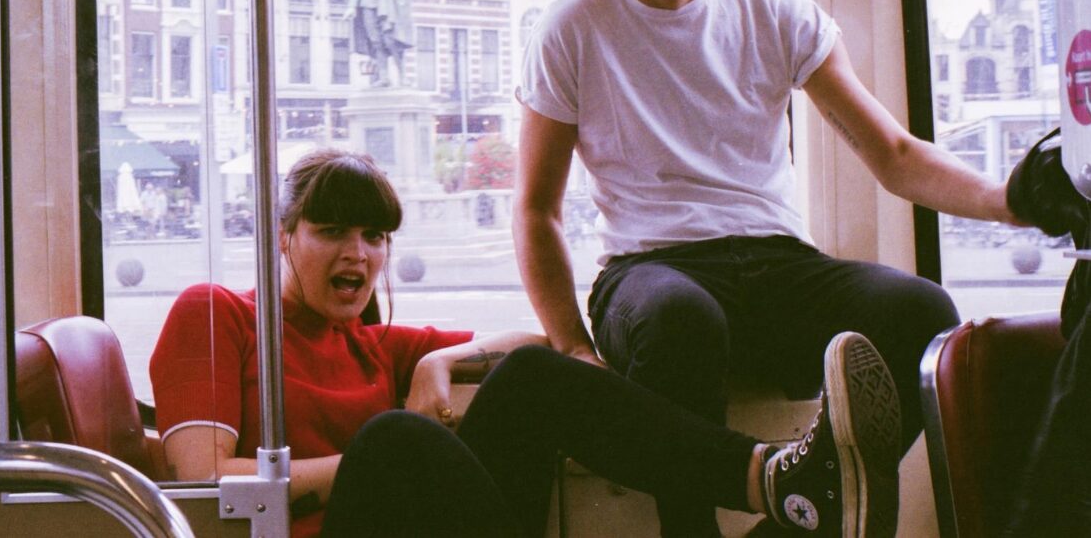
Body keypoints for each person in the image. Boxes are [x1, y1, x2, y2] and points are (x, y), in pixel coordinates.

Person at [512, 0, 1021, 537]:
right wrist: (571, 347)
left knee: (922, 312)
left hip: (776, 265)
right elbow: (536, 209)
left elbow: (894, 155)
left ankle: (800, 517)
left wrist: (1011, 201)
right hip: (649, 273)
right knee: (679, 318)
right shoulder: (570, 30)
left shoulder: (777, 15)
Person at [150, 149, 902, 537]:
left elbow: (530, 341)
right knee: (395, 441)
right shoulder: (217, 314)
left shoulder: (371, 344)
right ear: (284, 237)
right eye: (331, 231)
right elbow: (204, 476)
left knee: (534, 376)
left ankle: (776, 481)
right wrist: (381, 460)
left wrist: (443, 360)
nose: (359, 253)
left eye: (374, 235)